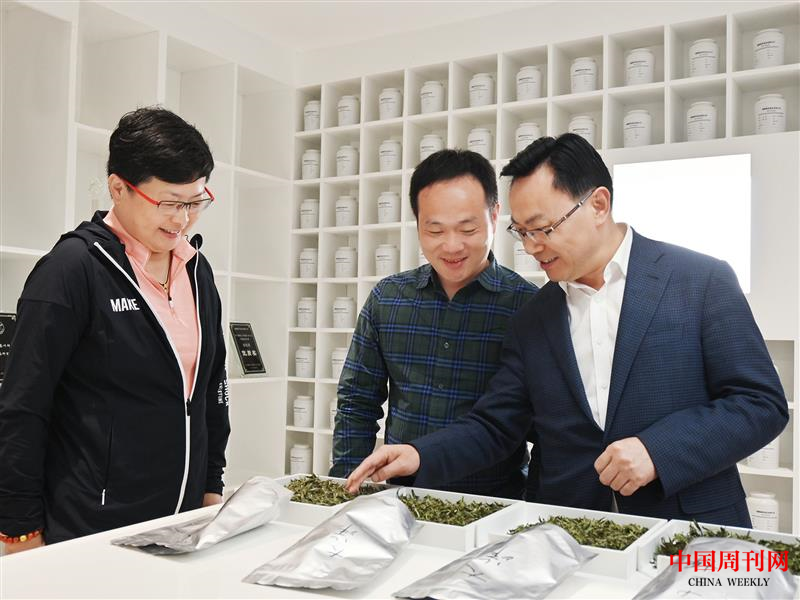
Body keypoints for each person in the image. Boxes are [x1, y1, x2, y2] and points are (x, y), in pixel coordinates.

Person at [346, 133, 788, 527]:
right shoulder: (535, 315)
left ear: (598, 204)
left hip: (688, 527)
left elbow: (760, 403)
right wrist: (419, 454)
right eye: (523, 232)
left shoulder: (699, 280)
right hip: (566, 530)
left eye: (543, 228)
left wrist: (658, 450)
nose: (532, 247)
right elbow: (497, 425)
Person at [0, 107, 231, 553]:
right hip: (91, 529)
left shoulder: (197, 271)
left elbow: (210, 388)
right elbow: (23, 407)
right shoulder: (71, 270)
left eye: (195, 202)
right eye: (169, 203)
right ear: (118, 188)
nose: (182, 220)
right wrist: (19, 528)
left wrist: (210, 484)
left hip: (183, 523)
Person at [330, 149, 537, 498]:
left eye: (467, 228)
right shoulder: (388, 299)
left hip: (495, 501)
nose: (451, 246)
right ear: (417, 224)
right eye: (435, 230)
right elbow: (357, 401)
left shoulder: (527, 306)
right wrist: (345, 488)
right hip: (397, 497)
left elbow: (532, 421)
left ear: (495, 215)